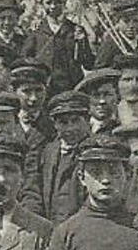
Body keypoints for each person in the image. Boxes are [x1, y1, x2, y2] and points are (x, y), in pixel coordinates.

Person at [26, 90, 91, 218]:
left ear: (88, 120)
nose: (70, 128)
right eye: (63, 122)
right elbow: (32, 190)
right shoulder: (46, 152)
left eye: (76, 121)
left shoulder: (96, 152)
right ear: (55, 124)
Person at [26, 0, 93, 96]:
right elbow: (26, 60)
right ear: (42, 4)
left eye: (57, 2)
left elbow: (88, 63)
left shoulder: (76, 30)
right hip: (44, 90)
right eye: (48, 2)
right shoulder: (36, 32)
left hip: (71, 89)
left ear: (64, 4)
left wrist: (82, 42)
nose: (52, 6)